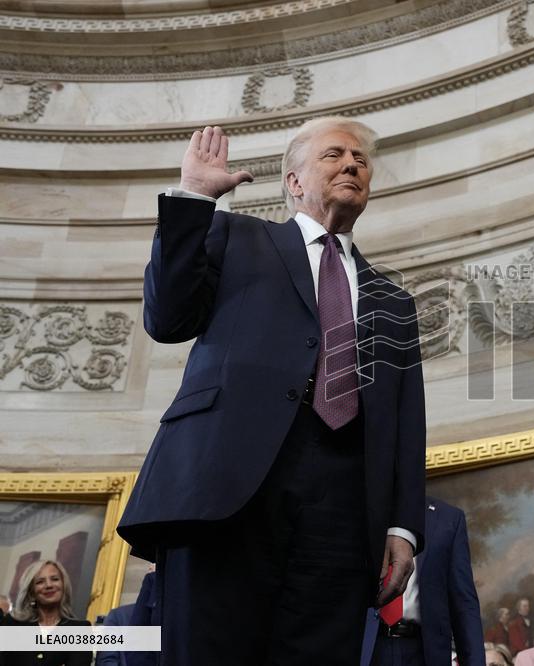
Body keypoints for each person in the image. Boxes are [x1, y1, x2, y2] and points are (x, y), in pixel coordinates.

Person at [117, 117, 427, 666]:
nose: (352, 164)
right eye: (334, 155)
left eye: (360, 159)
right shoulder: (237, 237)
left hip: (344, 503)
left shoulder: (393, 298)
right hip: (227, 487)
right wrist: (193, 198)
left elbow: (405, 422)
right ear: (294, 181)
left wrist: (402, 526)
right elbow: (166, 319)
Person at [368, 496, 485, 666]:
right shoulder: (354, 510)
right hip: (367, 646)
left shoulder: (448, 518)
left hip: (423, 651)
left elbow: (464, 604)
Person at [0, 560, 91, 666]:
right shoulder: (11, 624)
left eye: (55, 579)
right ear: (31, 592)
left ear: (63, 586)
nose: (49, 585)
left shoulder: (80, 630)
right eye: (40, 582)